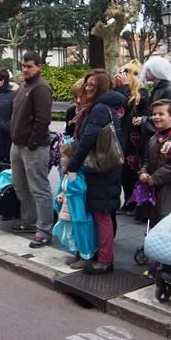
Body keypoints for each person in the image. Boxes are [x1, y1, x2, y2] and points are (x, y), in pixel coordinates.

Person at [64, 69, 125, 274]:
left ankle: (104, 261)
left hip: (102, 169)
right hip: (104, 167)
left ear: (101, 87)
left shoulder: (99, 108)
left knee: (102, 214)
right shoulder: (105, 106)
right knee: (99, 213)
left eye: (92, 85)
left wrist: (72, 164)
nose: (87, 88)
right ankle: (97, 254)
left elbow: (88, 139)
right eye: (86, 84)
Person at [10, 51, 54, 248]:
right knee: (20, 185)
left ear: (39, 66)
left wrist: (32, 142)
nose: (26, 69)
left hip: (33, 147)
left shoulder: (41, 88)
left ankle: (44, 231)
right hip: (17, 145)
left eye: (30, 66)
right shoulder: (24, 86)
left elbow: (43, 119)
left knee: (39, 188)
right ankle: (29, 222)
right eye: (24, 66)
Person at [138, 99, 171, 226]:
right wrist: (143, 172)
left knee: (166, 219)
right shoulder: (154, 138)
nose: (156, 117)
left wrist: (156, 177)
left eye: (161, 114)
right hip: (153, 189)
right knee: (152, 217)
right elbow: (146, 160)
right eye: (154, 114)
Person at [53, 142, 97, 270]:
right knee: (73, 233)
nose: (61, 159)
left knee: (82, 233)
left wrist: (71, 178)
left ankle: (85, 257)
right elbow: (64, 188)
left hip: (78, 211)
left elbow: (80, 188)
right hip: (70, 209)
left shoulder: (76, 174)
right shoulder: (67, 174)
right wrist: (60, 196)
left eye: (64, 156)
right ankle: (77, 253)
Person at [113, 60, 149, 212]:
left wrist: (126, 87)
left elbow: (128, 105)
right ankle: (128, 200)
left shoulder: (142, 93)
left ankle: (134, 202)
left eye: (126, 73)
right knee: (122, 173)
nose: (123, 76)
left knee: (131, 172)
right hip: (121, 136)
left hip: (134, 140)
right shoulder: (121, 90)